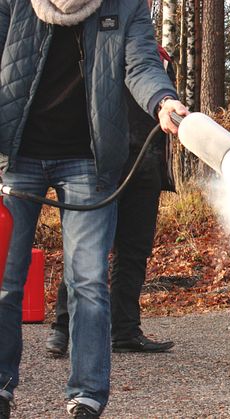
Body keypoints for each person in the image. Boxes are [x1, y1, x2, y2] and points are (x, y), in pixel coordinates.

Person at [0, 0, 188, 418]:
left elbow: (141, 64)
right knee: (5, 282)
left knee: (87, 281)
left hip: (89, 160)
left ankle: (85, 397)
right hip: (16, 156)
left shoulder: (126, 5)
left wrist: (163, 101)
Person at [46, 46, 178, 357]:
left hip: (146, 165)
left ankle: (125, 330)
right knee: (86, 248)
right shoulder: (98, 46)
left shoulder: (161, 57)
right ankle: (62, 328)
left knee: (134, 251)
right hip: (99, 165)